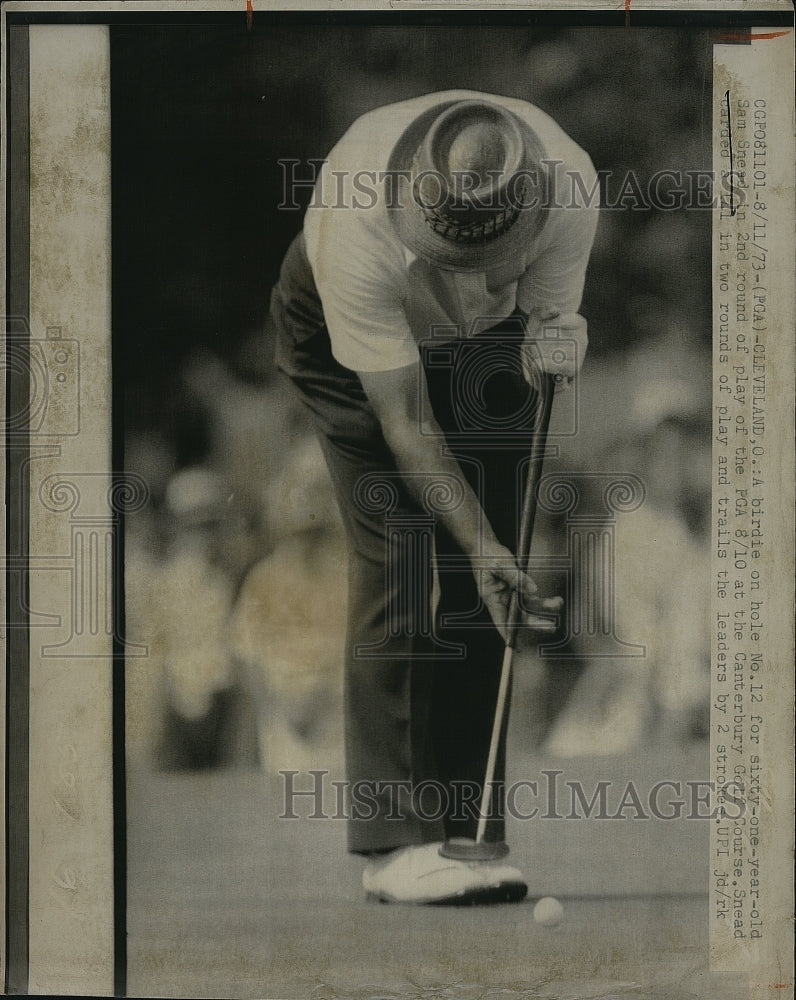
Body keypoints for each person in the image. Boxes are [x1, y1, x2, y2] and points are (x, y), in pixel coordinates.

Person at [269, 90, 598, 904]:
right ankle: (393, 845)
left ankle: (469, 831)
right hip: (355, 356)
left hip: (486, 345)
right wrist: (476, 542)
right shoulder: (356, 227)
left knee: (499, 572)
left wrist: (558, 341)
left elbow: (547, 326)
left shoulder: (570, 190)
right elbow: (406, 419)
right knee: (404, 548)